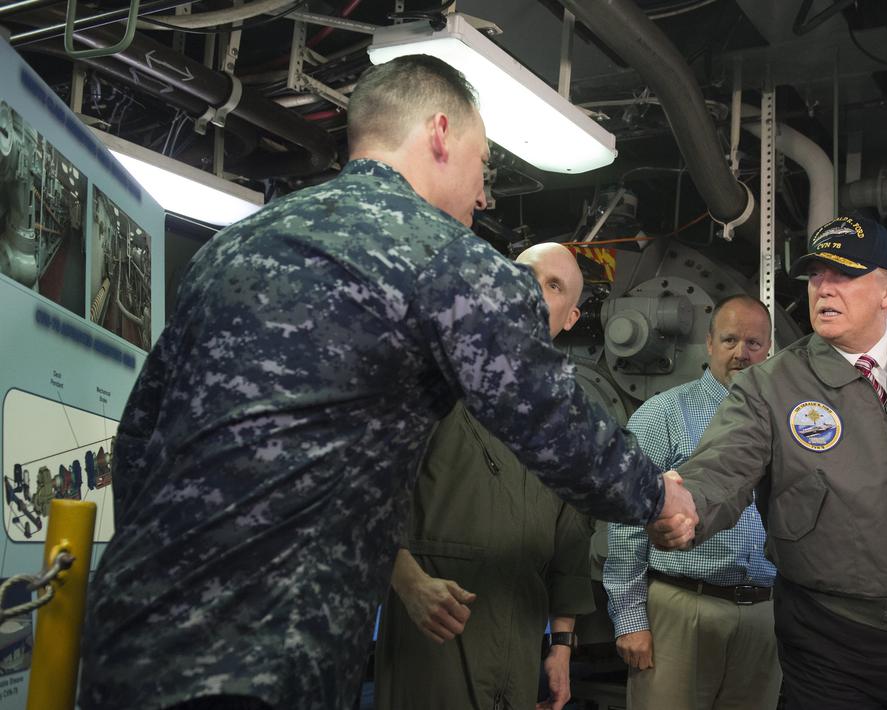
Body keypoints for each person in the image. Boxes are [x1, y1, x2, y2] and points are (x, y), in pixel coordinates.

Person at [77, 55, 696, 710]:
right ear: (439, 134)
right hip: (263, 654)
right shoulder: (453, 260)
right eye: (482, 164)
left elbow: (139, 438)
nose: (484, 194)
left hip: (132, 631)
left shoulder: (233, 245)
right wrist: (657, 497)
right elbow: (554, 426)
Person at [650, 215, 887, 710]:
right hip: (830, 640)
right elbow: (722, 467)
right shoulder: (770, 385)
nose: (824, 289)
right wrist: (683, 505)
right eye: (815, 276)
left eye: (844, 274)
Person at [375, 242, 591, 710]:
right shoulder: (430, 373)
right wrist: (409, 582)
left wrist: (560, 645)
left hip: (520, 631)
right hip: (434, 624)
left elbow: (571, 537)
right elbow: (361, 492)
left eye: (553, 286)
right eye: (524, 275)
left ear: (570, 317)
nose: (533, 291)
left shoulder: (566, 411)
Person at [604, 294, 780, 710]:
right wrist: (630, 621)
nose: (742, 353)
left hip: (763, 616)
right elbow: (628, 525)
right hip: (683, 610)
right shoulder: (662, 414)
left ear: (769, 349)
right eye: (731, 339)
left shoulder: (783, 419)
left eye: (755, 343)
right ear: (709, 343)